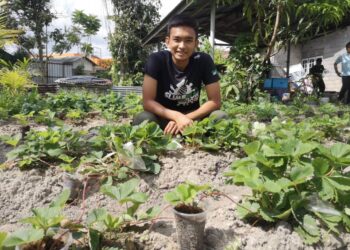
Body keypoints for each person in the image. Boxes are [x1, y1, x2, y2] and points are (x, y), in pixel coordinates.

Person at [133, 14, 227, 135]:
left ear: (196, 43)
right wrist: (177, 117)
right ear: (167, 41)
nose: (182, 46)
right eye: (177, 40)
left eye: (188, 40)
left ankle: (192, 134)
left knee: (221, 116)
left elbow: (215, 101)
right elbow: (148, 102)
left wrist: (186, 118)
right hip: (164, 118)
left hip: (193, 118)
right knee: (143, 119)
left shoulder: (204, 60)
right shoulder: (156, 60)